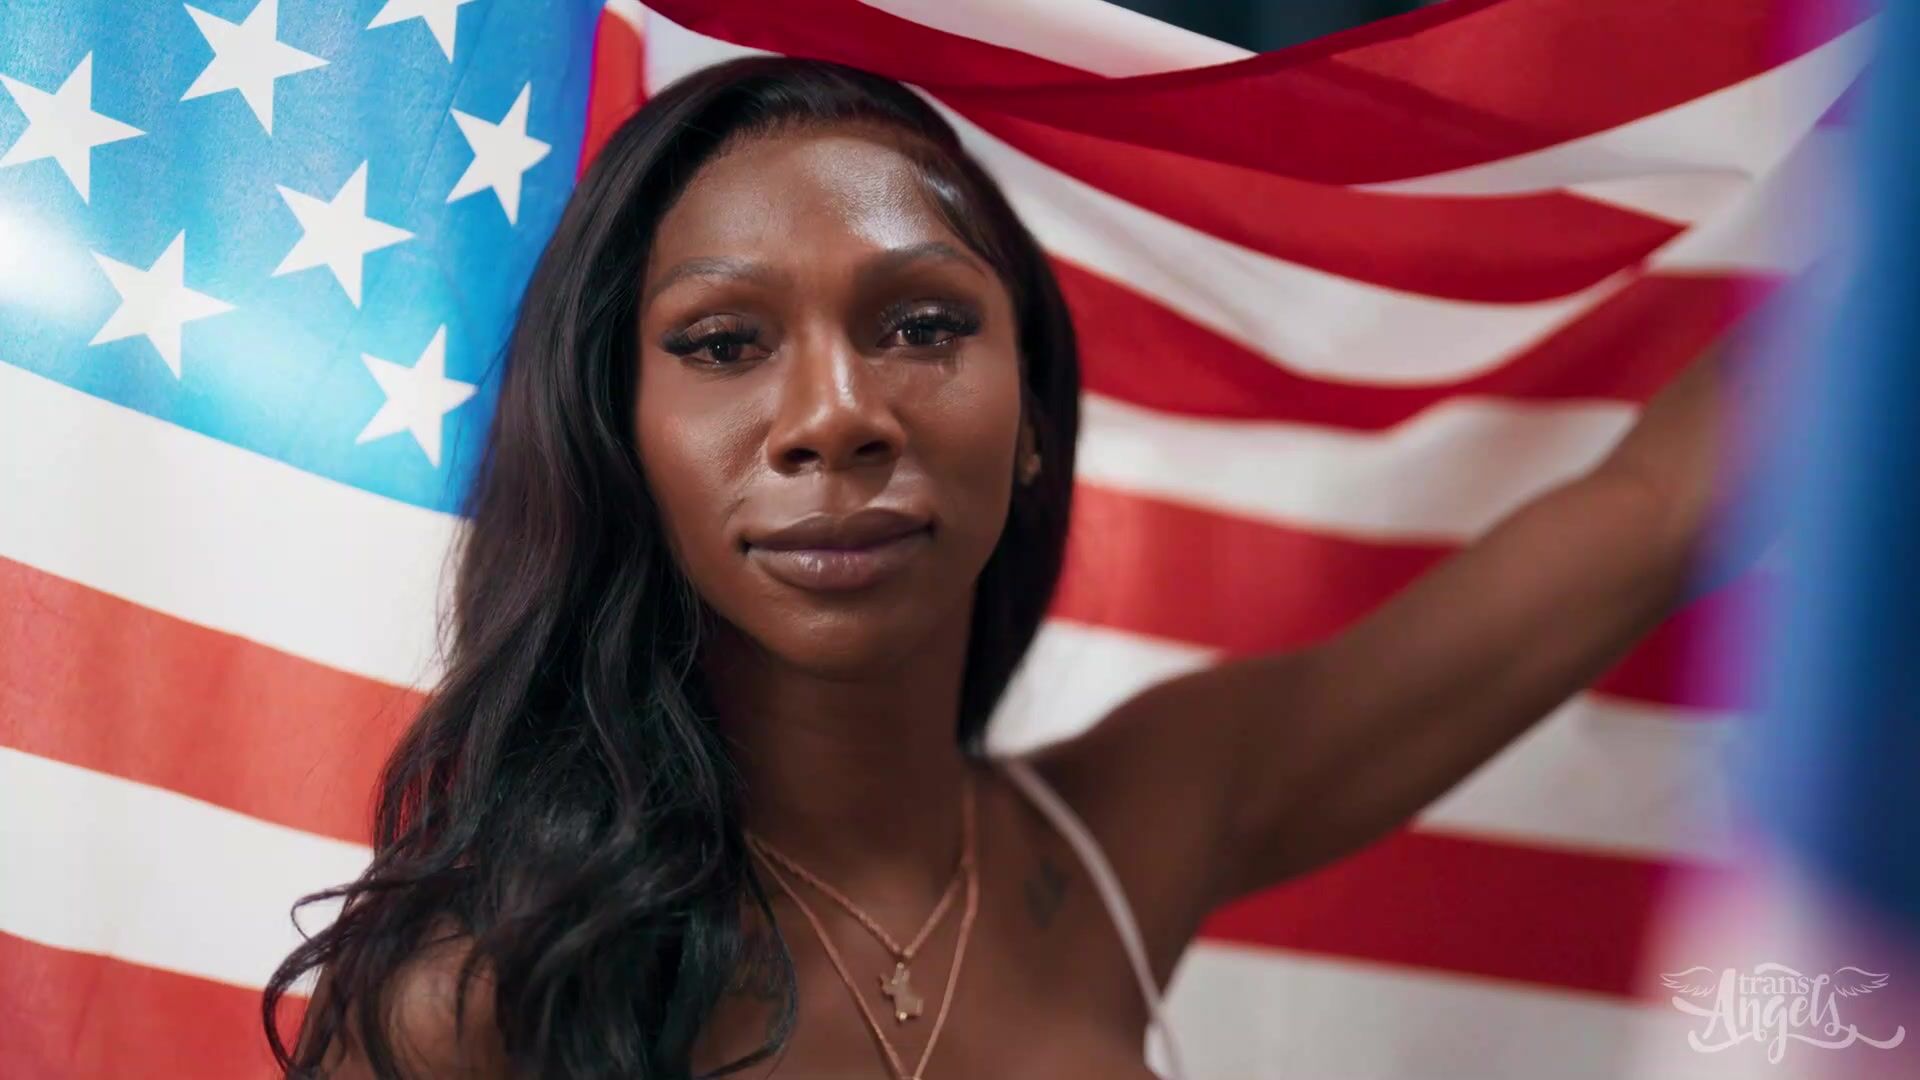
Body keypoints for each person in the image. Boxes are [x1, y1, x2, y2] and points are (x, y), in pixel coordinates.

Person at [263, 55, 1756, 1079]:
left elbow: (1649, 510)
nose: (835, 416)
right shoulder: (480, 1002)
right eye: (723, 344)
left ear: (1033, 415)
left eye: (923, 325)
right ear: (618, 434)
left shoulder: (1135, 832)